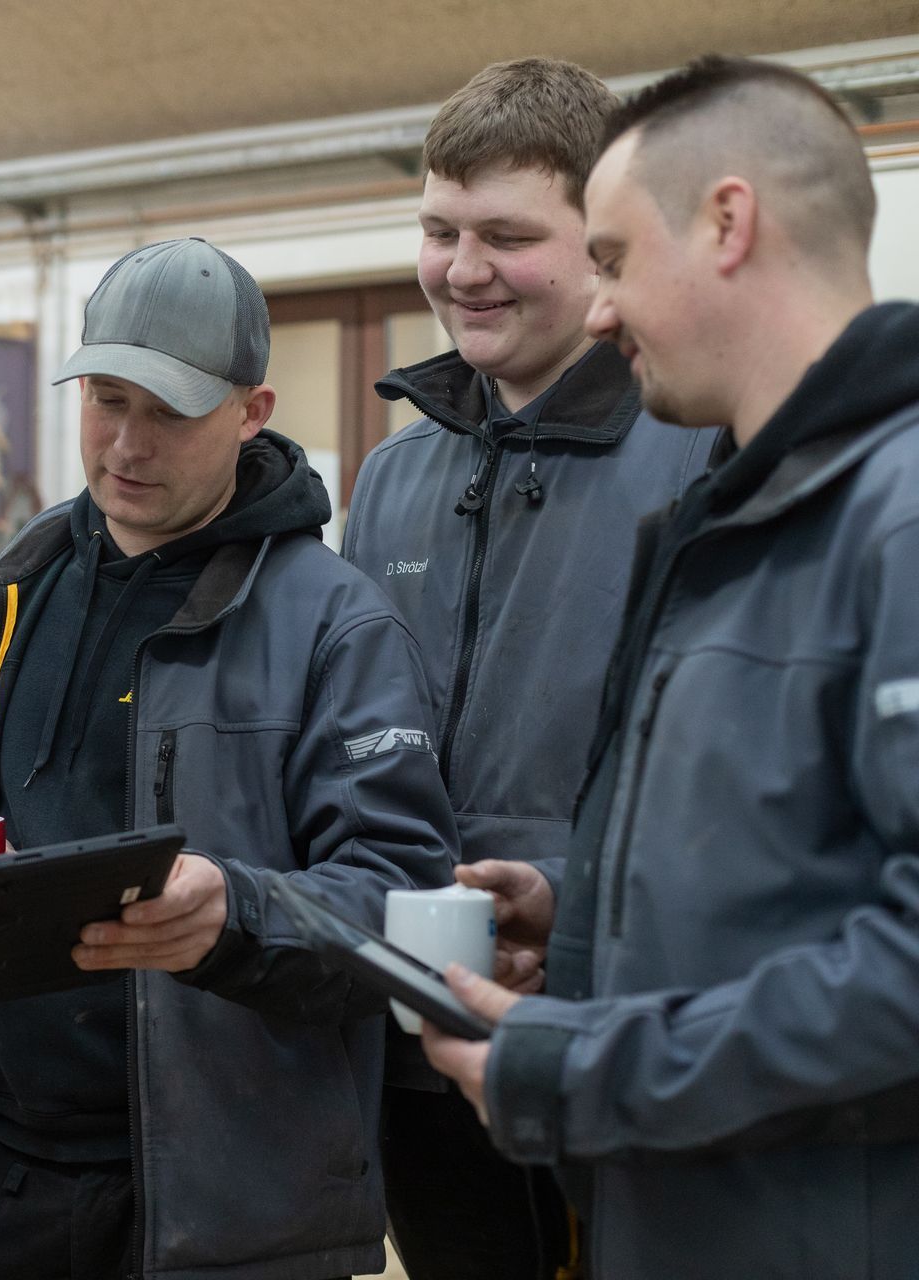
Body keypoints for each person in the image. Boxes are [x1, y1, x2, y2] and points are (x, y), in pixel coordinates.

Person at [421, 56, 919, 1277]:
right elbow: (793, 861)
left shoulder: (897, 517)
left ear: (729, 223)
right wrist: (585, 906)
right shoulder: (734, 524)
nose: (598, 312)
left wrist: (591, 1064)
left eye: (614, 260)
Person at [0, 237, 459, 1280]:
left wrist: (232, 913)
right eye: (107, 399)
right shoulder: (14, 591)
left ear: (252, 411)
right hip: (6, 1170)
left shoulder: (339, 629)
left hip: (228, 1204)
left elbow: (404, 906)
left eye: (172, 412)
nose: (126, 445)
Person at [338, 58, 723, 1279]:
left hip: (608, 1018)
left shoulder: (700, 451)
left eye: (509, 235)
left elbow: (722, 756)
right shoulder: (394, 476)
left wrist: (576, 896)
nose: (463, 269)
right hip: (406, 1022)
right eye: (440, 230)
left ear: (603, 244)